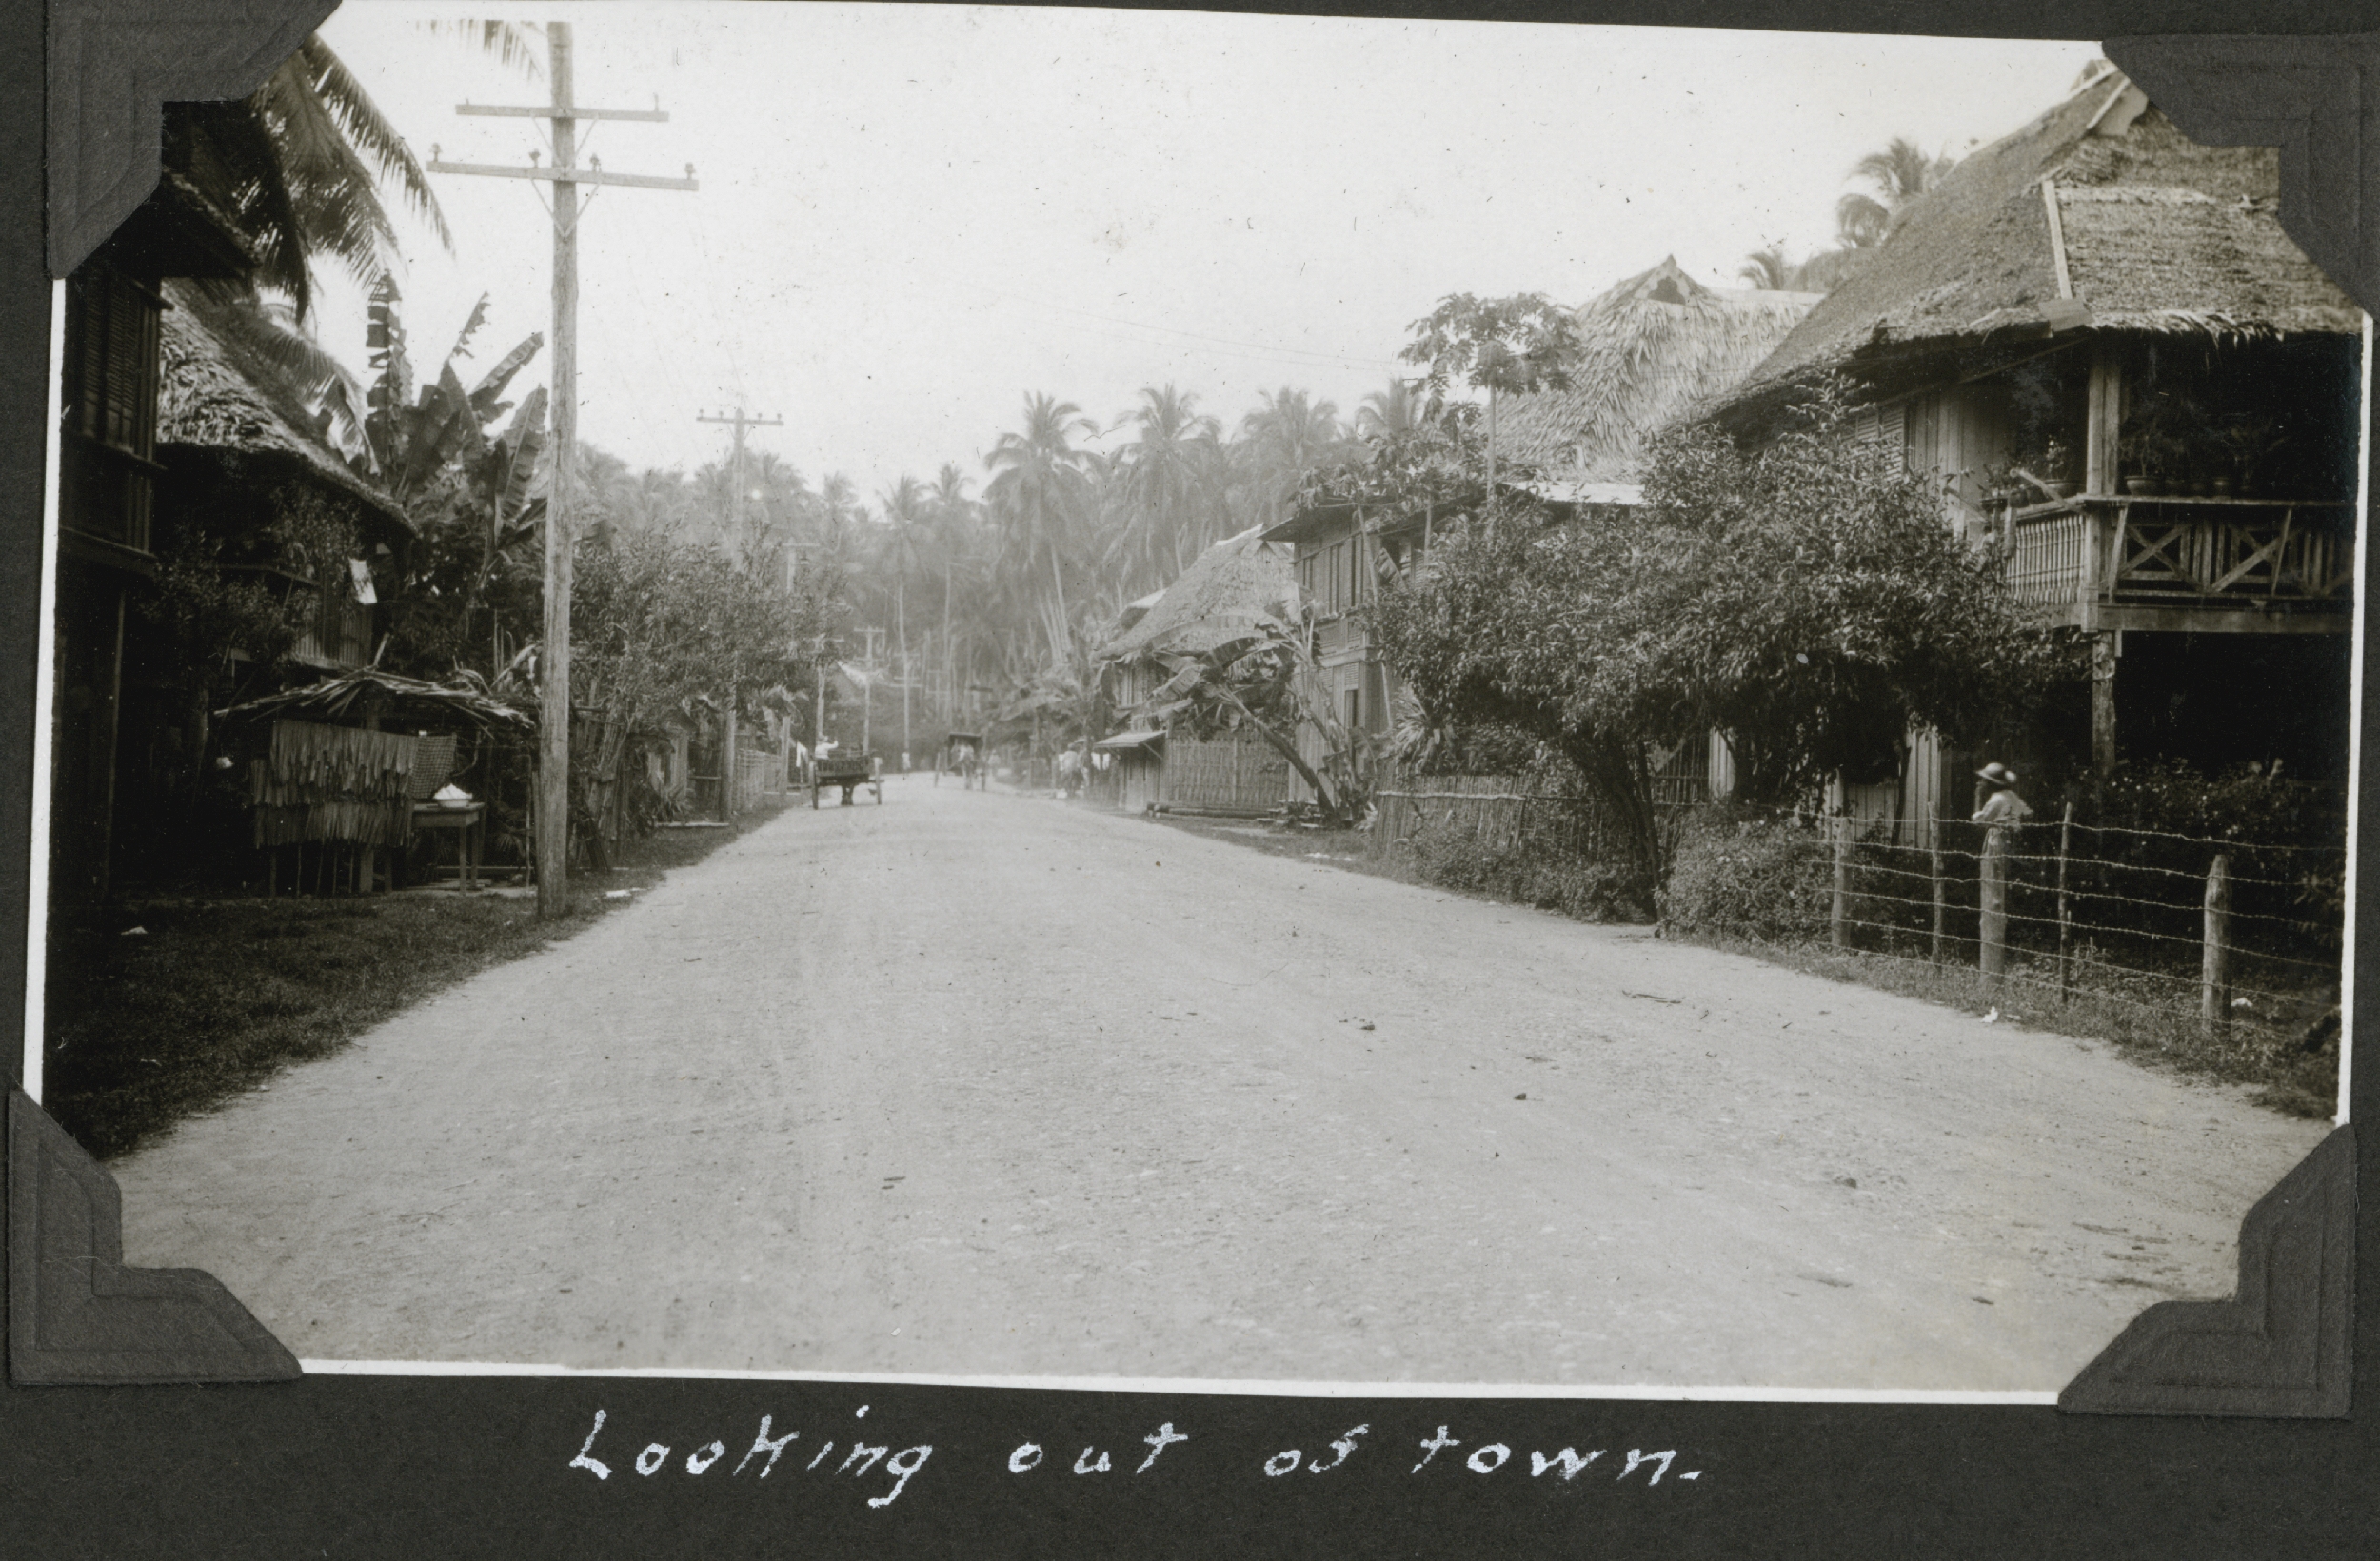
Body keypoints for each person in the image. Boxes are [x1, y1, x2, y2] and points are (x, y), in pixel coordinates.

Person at [1971, 762, 2032, 828]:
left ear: (1990, 783)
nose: (1981, 783)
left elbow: (1979, 821)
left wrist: (1978, 796)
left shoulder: (1996, 799)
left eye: (1984, 780)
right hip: (2013, 835)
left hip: (1998, 835)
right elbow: (2028, 813)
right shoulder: (2011, 794)